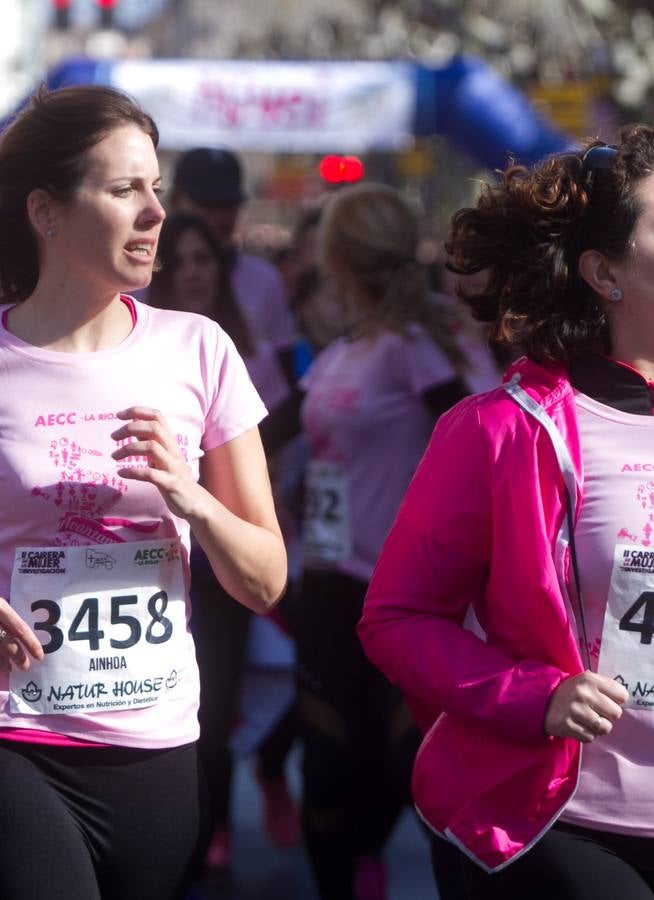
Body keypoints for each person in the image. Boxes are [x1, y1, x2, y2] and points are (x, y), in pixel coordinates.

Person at [0, 84, 286, 900]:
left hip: (157, 745)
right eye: (124, 189)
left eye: (157, 190)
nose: (155, 213)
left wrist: (194, 500)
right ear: (47, 211)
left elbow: (265, 580)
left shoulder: (200, 351)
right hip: (0, 737)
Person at [360, 129, 654, 898]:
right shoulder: (501, 429)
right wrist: (539, 695)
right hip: (564, 821)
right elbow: (397, 619)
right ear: (604, 273)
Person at [292, 182, 478, 900]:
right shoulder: (342, 351)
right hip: (328, 588)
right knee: (329, 763)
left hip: (403, 594)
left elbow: (478, 443)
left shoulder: (412, 349)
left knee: (405, 765)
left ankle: (373, 856)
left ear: (339, 257)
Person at [149, 212, 300, 875]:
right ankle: (198, 828)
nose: (191, 271)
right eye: (177, 261)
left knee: (246, 694)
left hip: (244, 557)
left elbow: (279, 463)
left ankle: (235, 807)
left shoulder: (256, 358)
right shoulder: (140, 355)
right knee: (197, 703)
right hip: (166, 565)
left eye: (202, 259)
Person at [170, 148, 300, 384]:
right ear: (176, 201)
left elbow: (285, 371)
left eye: (228, 205)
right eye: (208, 205)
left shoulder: (266, 279)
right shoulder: (139, 281)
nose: (220, 217)